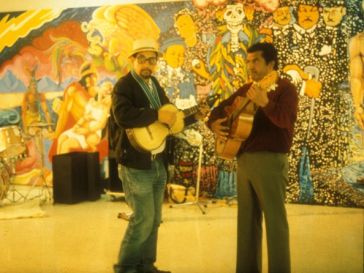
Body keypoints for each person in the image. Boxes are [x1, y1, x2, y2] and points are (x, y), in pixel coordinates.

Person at [111, 38, 204, 273]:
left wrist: (195, 116)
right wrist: (155, 114)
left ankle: (146, 265)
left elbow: (170, 120)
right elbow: (123, 116)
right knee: (143, 220)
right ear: (132, 60)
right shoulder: (124, 85)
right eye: (142, 59)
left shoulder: (155, 85)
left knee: (154, 220)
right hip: (136, 164)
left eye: (152, 60)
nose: (147, 64)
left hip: (157, 163)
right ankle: (125, 267)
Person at [207, 42, 298, 273]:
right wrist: (214, 124)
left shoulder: (285, 88)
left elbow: (286, 120)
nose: (250, 66)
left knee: (275, 223)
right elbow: (219, 110)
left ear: (271, 63)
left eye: (255, 61)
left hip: (270, 161)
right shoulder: (247, 88)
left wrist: (265, 102)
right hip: (245, 160)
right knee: (246, 224)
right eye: (248, 61)